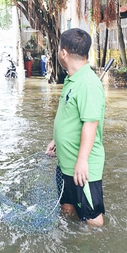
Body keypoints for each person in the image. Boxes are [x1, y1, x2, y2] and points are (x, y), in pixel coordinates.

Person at [45, 28, 106, 227]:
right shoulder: (72, 79)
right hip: (66, 163)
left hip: (82, 167)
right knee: (67, 208)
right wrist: (58, 140)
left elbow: (90, 123)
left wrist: (82, 160)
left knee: (92, 219)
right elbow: (71, 117)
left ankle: (92, 251)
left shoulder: (88, 83)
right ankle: (71, 249)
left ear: (64, 53)